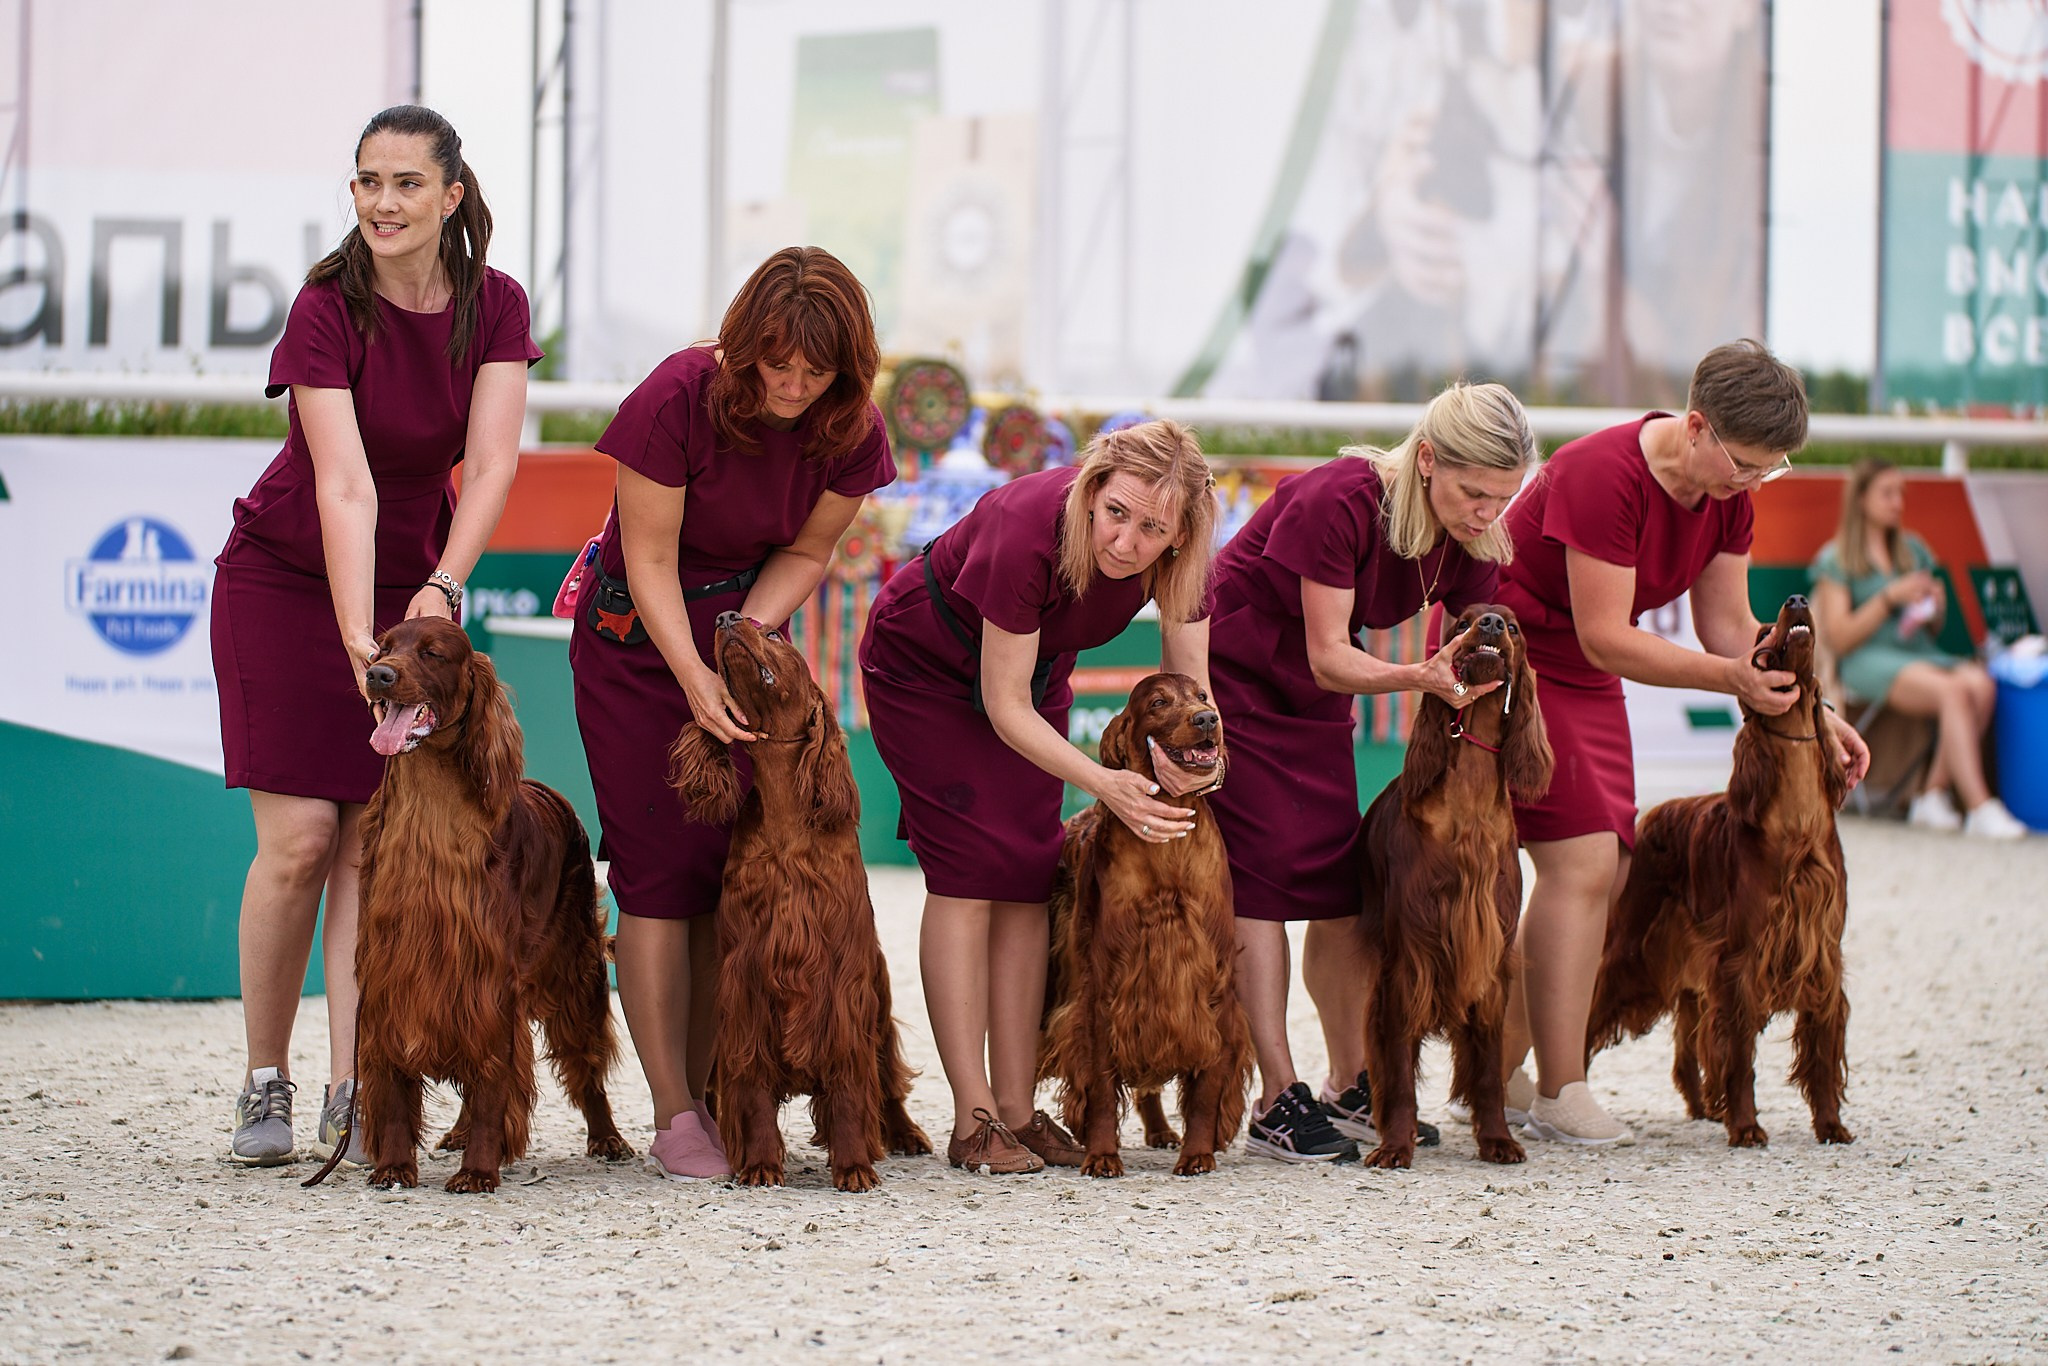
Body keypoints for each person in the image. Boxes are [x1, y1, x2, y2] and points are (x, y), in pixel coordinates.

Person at [211, 105, 538, 1168]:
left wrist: (438, 586)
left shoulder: (495, 305)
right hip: (286, 576)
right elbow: (343, 483)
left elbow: (488, 468)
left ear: (451, 195)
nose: (383, 203)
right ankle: (267, 1078)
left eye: (406, 183)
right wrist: (359, 633)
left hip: (415, 587)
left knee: (369, 845)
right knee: (301, 840)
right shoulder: (325, 305)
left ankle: (358, 1084)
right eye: (367, 182)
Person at [1493, 339, 1870, 1145]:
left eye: (1773, 469)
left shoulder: (1729, 492)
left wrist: (1817, 711)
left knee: (1616, 863)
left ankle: (1494, 1074)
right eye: (1745, 464)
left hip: (1586, 663)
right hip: (1518, 655)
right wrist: (1732, 681)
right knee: (1585, 862)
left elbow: (1731, 628)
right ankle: (1562, 1089)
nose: (1754, 481)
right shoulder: (1603, 475)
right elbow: (1605, 636)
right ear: (1695, 427)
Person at [570, 247, 895, 1181]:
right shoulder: (677, 395)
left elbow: (810, 548)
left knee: (728, 868)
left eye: (814, 370)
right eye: (774, 362)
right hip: (639, 640)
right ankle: (675, 1110)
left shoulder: (851, 429)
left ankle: (722, 1088)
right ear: (744, 344)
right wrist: (694, 672)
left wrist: (747, 641)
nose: (791, 385)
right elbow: (650, 558)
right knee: (658, 872)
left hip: (739, 635)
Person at [859, 421, 1218, 1173]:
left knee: (1026, 867)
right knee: (968, 869)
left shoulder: (1183, 565)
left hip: (1035, 670)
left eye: (1153, 528)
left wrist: (1202, 768)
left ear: (1181, 533)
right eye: (1116, 512)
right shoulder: (1030, 530)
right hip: (925, 665)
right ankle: (973, 1118)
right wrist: (1106, 783)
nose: (1125, 541)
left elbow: (1195, 694)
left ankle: (1019, 1111)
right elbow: (1002, 704)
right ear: (1093, 488)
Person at [1203, 383, 1538, 1163]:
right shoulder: (1341, 500)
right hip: (1243, 671)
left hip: (1322, 686)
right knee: (1260, 882)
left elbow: (1474, 652)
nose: (1488, 513)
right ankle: (1278, 1096)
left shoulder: (1474, 537)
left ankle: (1350, 1079)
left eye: (1504, 497)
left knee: (1337, 884)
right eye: (1474, 493)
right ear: (1427, 462)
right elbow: (1327, 652)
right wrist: (1424, 677)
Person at [1811, 460, 2025, 839]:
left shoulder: (1913, 550)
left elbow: (1934, 628)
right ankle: (1979, 805)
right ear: (1861, 499)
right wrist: (1888, 597)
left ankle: (1931, 794)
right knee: (1955, 691)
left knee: (1981, 684)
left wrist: (1932, 608)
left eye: (1900, 494)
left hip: (1916, 652)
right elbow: (1840, 637)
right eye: (1887, 494)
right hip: (1865, 659)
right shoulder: (1837, 558)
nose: (1897, 503)